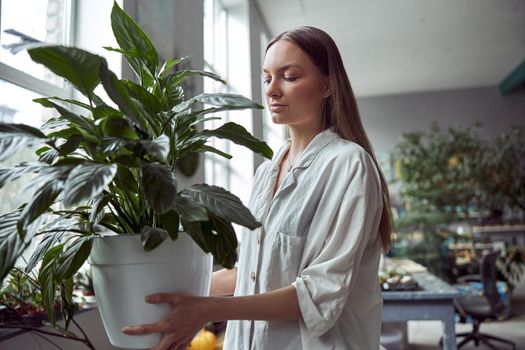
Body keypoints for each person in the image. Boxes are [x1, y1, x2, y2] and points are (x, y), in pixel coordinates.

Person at [122, 26, 392, 350]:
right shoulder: (267, 171)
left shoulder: (349, 165)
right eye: (267, 79)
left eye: (289, 77)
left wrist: (207, 310)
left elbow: (320, 293)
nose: (272, 90)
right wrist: (169, 295)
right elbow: (255, 273)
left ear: (327, 85)